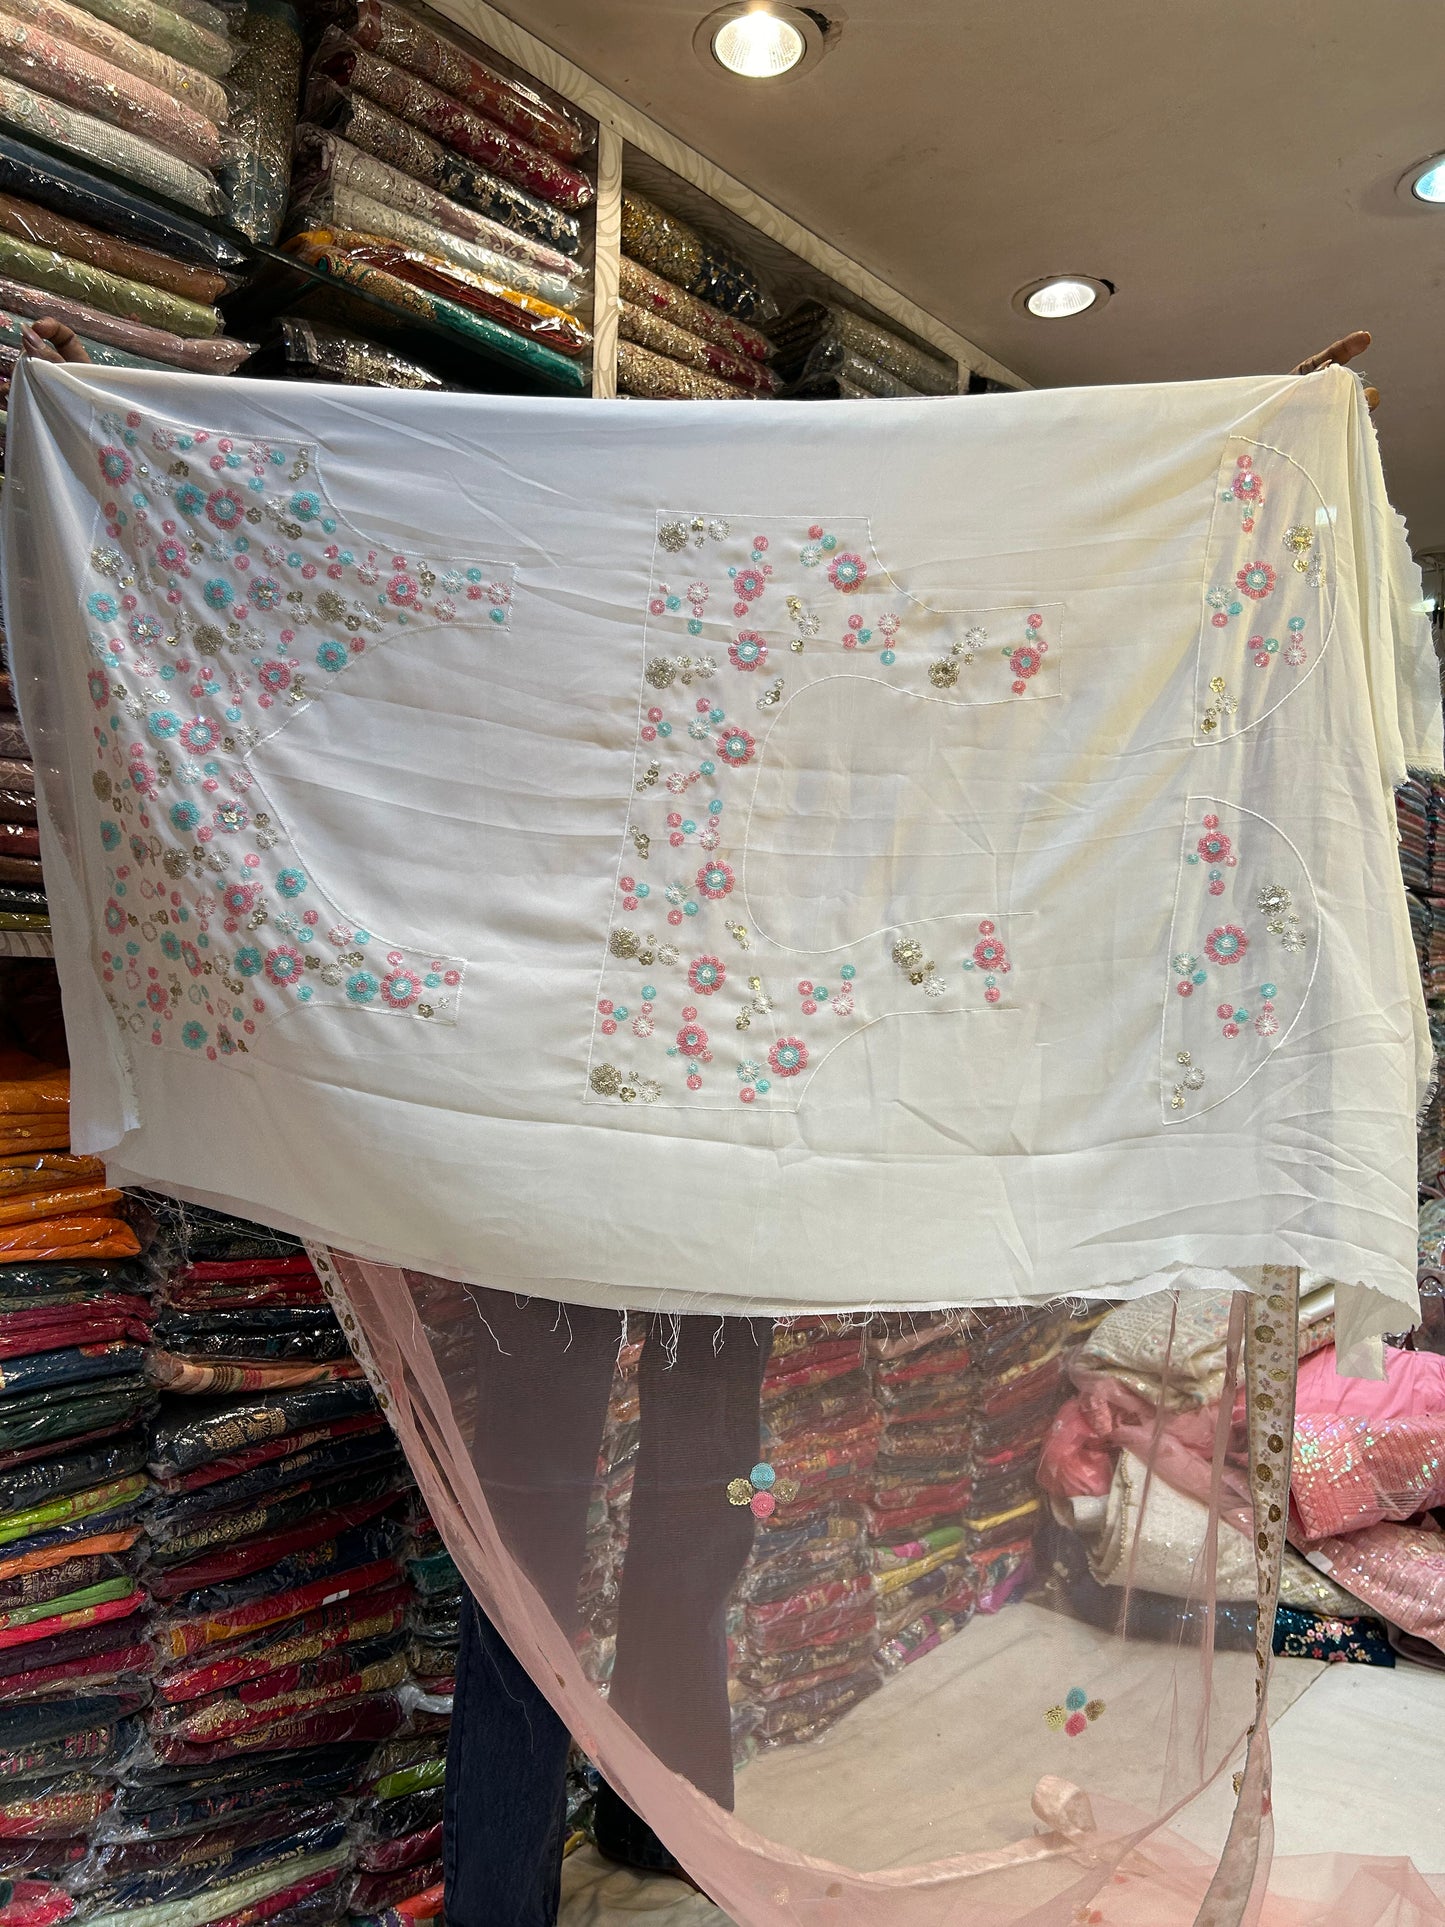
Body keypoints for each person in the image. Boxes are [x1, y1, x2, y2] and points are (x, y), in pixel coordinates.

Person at [13, 317, 1381, 1927]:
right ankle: (509, 1887)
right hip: (560, 1171)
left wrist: (1256, 435)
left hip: (723, 1168)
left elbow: (980, 729)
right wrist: (103, 425)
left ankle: (659, 1814)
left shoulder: (783, 713)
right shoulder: (558, 696)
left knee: (695, 1507)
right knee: (534, 1548)